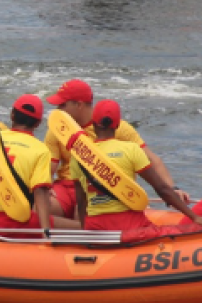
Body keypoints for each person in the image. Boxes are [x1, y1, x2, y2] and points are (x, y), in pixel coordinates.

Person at [44, 78, 181, 220]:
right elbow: (48, 168)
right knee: (41, 208)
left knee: (83, 213)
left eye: (62, 105)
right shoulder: (57, 130)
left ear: (78, 105)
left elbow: (152, 160)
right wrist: (44, 189)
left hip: (104, 187)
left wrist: (173, 189)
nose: (57, 110)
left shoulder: (116, 127)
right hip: (67, 186)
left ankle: (77, 227)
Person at [71, 100, 202, 238]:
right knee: (176, 234)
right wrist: (194, 217)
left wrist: (87, 235)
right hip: (129, 225)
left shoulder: (79, 156)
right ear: (117, 125)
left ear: (93, 123)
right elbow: (162, 189)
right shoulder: (131, 149)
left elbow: (81, 201)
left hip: (96, 228)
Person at [0, 95, 56, 233]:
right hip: (11, 226)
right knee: (66, 226)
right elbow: (40, 193)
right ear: (38, 124)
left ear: (12, 115)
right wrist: (46, 234)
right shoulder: (41, 150)